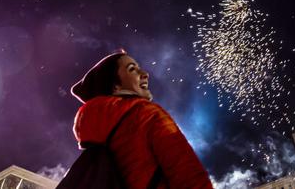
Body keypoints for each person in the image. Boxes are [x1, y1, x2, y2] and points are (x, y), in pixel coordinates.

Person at [70, 50, 213, 189]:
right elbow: (186, 171)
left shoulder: (97, 131)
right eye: (132, 69)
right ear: (115, 85)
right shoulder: (146, 114)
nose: (145, 74)